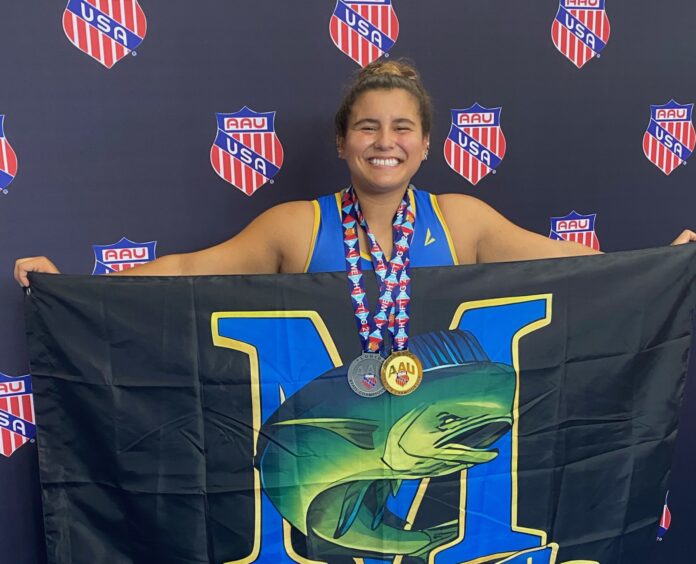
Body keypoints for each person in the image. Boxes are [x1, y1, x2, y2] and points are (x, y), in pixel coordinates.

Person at [14, 60, 696, 286]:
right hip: (328, 444)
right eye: (367, 126)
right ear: (342, 141)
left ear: (426, 146)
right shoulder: (295, 225)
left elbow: (572, 266)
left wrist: (663, 267)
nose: (385, 142)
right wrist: (69, 285)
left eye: (403, 128)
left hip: (429, 444)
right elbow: (192, 270)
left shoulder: (462, 219)